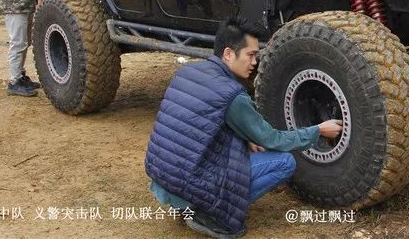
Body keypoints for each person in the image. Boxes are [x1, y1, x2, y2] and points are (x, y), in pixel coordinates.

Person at [145, 17, 343, 238]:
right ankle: (210, 215)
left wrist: (245, 135)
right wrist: (317, 131)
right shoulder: (232, 95)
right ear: (229, 54)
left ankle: (187, 204)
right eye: (250, 55)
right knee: (285, 162)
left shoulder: (188, 72)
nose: (255, 62)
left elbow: (199, 125)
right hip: (189, 184)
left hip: (163, 180)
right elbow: (273, 139)